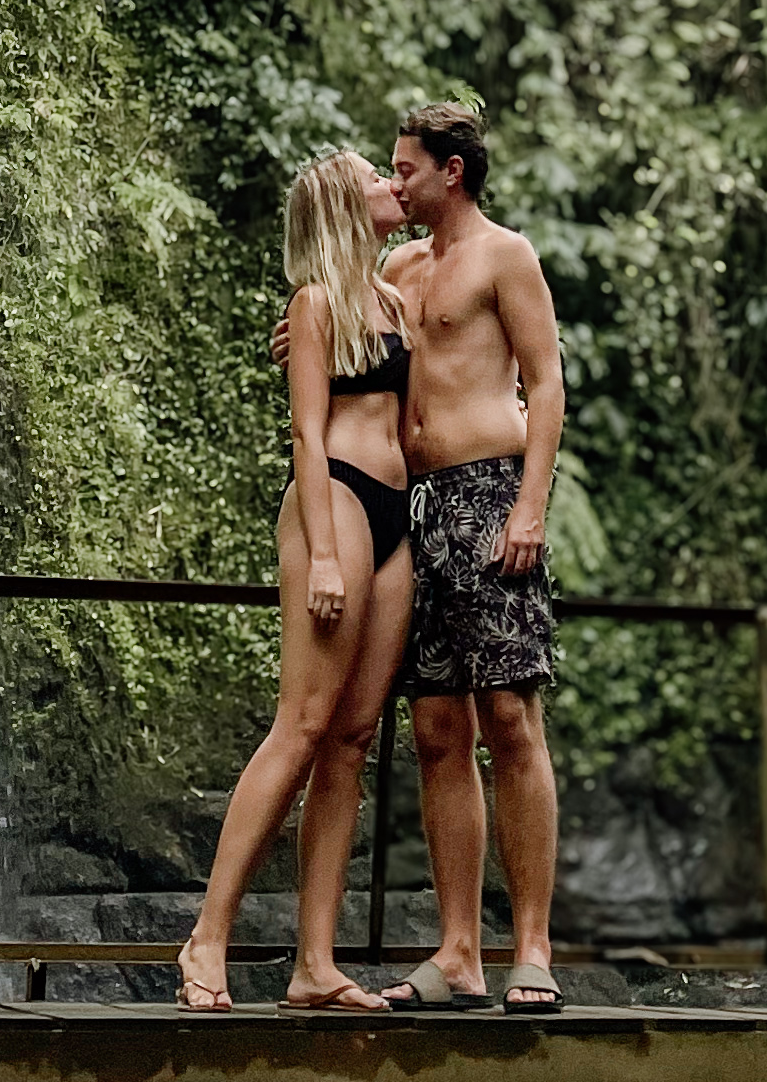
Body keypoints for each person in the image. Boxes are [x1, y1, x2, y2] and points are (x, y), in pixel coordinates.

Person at [175, 151, 415, 1015]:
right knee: (303, 723)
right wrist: (319, 549)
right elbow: (308, 437)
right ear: (345, 204)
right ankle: (207, 937)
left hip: (397, 518)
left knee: (352, 738)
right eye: (377, 178)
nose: (394, 186)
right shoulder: (312, 306)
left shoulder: (392, 298)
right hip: (338, 504)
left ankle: (316, 964)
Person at [375, 99, 568, 1017]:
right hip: (412, 508)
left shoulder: (506, 256)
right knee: (437, 730)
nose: (394, 181)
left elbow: (548, 381)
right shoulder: (398, 267)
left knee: (510, 718)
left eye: (405, 167)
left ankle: (530, 944)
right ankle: (459, 951)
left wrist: (529, 505)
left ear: (451, 169)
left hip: (491, 496)